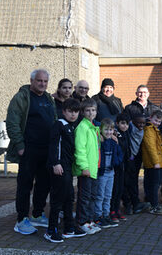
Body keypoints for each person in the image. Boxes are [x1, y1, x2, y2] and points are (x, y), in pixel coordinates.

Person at [6, 69, 56, 235]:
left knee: (44, 184)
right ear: (32, 80)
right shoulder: (21, 97)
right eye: (39, 81)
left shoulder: (49, 98)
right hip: (28, 149)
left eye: (45, 81)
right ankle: (21, 220)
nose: (42, 84)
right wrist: (19, 145)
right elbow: (12, 122)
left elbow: (54, 120)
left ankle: (37, 214)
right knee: (25, 185)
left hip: (46, 149)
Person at [45, 98, 86, 243]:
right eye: (70, 111)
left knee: (69, 198)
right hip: (59, 168)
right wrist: (55, 163)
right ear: (64, 111)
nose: (73, 114)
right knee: (57, 199)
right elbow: (53, 145)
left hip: (68, 168)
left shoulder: (72, 126)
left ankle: (69, 227)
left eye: (76, 112)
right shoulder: (59, 124)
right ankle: (51, 230)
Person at [73, 98, 101, 235]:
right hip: (86, 170)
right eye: (88, 110)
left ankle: (89, 221)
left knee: (92, 197)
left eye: (93, 110)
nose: (91, 112)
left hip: (94, 169)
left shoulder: (93, 127)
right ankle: (82, 222)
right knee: (84, 197)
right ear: (83, 112)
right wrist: (84, 167)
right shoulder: (82, 128)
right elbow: (80, 149)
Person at [94, 118, 123, 229]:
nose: (109, 132)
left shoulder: (114, 143)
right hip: (102, 174)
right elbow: (95, 124)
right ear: (101, 130)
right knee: (100, 195)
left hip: (111, 172)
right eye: (106, 130)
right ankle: (98, 216)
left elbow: (120, 155)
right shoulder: (100, 142)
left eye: (111, 130)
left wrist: (115, 162)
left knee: (108, 195)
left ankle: (106, 215)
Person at [141, 110, 162, 215]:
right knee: (154, 185)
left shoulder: (156, 129)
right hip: (153, 163)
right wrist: (156, 162)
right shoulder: (149, 130)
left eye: (159, 121)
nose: (157, 123)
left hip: (158, 162)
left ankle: (152, 203)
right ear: (150, 118)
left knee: (155, 183)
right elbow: (151, 147)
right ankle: (154, 206)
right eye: (156, 120)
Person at [122, 114, 148, 215]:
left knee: (133, 181)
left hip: (134, 157)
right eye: (139, 123)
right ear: (133, 122)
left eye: (143, 123)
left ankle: (135, 203)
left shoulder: (141, 131)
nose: (141, 125)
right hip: (127, 158)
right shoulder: (130, 129)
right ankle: (128, 204)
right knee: (127, 182)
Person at [110, 113, 130, 222]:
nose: (125, 126)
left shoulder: (126, 134)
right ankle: (112, 210)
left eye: (127, 124)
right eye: (122, 123)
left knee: (120, 189)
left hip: (123, 166)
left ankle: (117, 209)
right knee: (115, 188)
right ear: (117, 123)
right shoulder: (116, 134)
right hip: (116, 166)